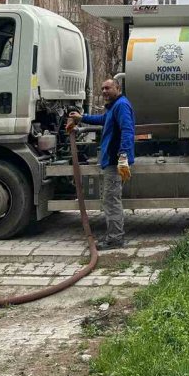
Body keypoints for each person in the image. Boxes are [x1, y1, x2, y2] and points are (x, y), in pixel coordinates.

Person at [67, 78, 135, 249]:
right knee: (110, 199)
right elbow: (103, 119)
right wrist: (82, 118)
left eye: (108, 88)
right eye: (102, 88)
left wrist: (123, 155)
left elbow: (128, 130)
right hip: (111, 161)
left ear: (117, 88)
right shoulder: (114, 107)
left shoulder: (121, 105)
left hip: (114, 161)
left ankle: (115, 239)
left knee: (111, 200)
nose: (104, 91)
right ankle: (114, 236)